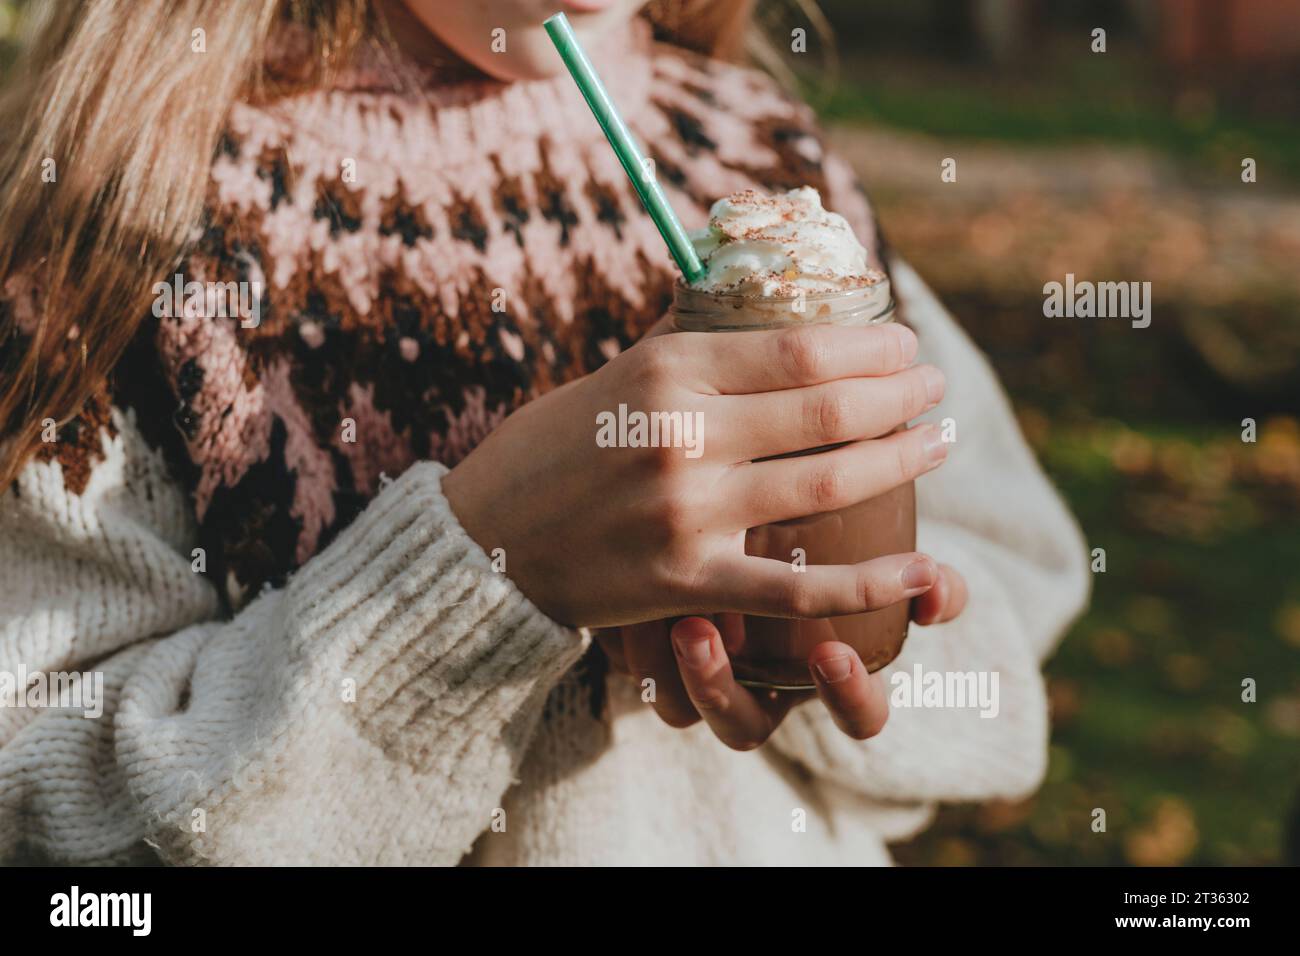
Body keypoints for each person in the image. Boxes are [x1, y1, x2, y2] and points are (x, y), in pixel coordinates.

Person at [0, 0, 1088, 865]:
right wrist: (484, 576)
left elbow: (1010, 582)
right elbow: (41, 798)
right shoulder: (126, 214)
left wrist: (790, 639)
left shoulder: (765, 167)